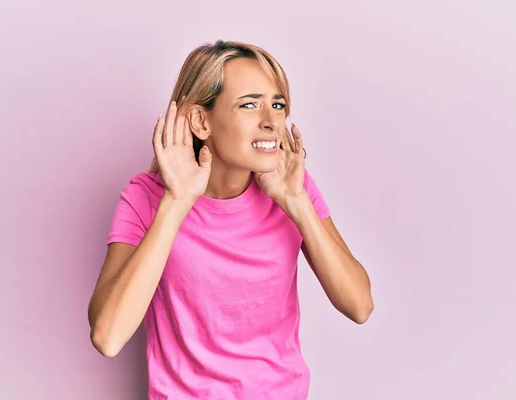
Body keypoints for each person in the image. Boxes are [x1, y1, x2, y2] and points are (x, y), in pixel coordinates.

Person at [88, 39, 373, 400]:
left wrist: (296, 202)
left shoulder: (294, 186)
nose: (272, 121)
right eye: (249, 105)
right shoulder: (146, 198)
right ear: (200, 121)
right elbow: (108, 337)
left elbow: (359, 305)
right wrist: (177, 202)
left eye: (278, 104)